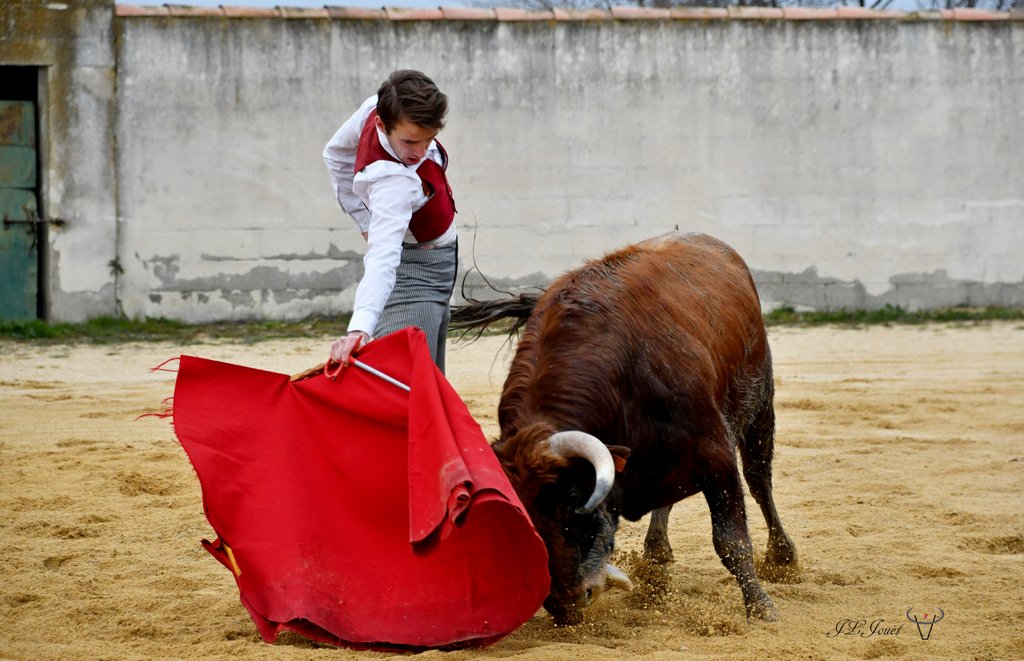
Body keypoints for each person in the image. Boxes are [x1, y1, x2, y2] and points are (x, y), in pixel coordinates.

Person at [323, 70, 457, 373]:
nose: (421, 152)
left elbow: (334, 153)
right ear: (383, 125)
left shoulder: (376, 105)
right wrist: (360, 329)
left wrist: (362, 217)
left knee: (428, 380)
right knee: (413, 387)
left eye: (430, 139)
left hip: (436, 259)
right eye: (411, 141)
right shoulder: (392, 183)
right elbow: (383, 255)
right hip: (414, 274)